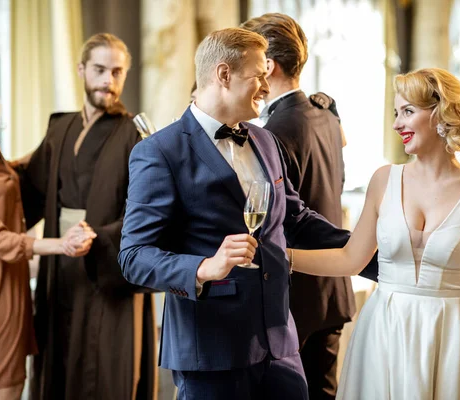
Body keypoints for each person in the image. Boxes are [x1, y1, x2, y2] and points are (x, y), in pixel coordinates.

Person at [118, 27, 378, 400]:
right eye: (258, 75)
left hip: (281, 344)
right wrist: (205, 267)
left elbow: (296, 219)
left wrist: (382, 260)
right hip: (210, 352)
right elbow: (134, 257)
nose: (266, 87)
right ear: (224, 75)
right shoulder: (160, 151)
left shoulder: (265, 140)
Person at [289, 67, 460, 399]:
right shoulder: (383, 180)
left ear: (441, 113)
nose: (396, 124)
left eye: (407, 111)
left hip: (453, 336)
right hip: (385, 329)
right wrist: (282, 257)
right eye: (395, 113)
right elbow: (350, 260)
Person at [241, 13, 377, 399]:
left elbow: (281, 217)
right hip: (333, 289)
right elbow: (337, 185)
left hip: (293, 293)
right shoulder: (327, 115)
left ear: (268, 65)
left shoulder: (269, 134)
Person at [17, 34, 157, 400]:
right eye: (99, 70)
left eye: (117, 72)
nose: (108, 81)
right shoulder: (60, 128)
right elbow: (29, 186)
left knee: (106, 366)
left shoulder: (135, 134)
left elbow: (147, 210)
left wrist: (99, 238)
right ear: (81, 70)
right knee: (59, 355)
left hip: (104, 262)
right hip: (59, 264)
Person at [0, 71, 95, 400]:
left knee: (8, 382)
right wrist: (61, 244)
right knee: (9, 384)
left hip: (13, 281)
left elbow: (8, 176)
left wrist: (54, 144)